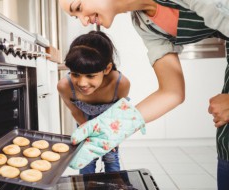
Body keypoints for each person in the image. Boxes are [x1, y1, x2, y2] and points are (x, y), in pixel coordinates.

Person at [59, 0, 229, 189]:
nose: (83, 22)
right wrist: (115, 126)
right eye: (76, 17)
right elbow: (172, 92)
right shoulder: (144, 24)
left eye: (79, 8)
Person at [57, 30, 130, 174]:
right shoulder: (64, 86)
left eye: (91, 75)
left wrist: (111, 137)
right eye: (75, 74)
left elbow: (119, 113)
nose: (82, 83)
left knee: (111, 158)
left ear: (107, 69)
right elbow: (75, 111)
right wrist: (88, 134)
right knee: (85, 161)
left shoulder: (120, 84)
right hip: (85, 124)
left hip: (110, 127)